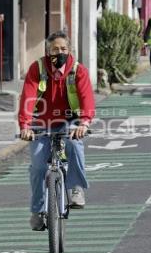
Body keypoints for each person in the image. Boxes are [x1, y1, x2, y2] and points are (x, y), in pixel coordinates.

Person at [18, 31, 95, 230]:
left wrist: (84, 123)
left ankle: (76, 189)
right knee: (37, 166)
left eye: (63, 49)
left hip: (70, 120)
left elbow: (87, 98)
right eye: (54, 49)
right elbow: (28, 96)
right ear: (47, 51)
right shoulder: (38, 68)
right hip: (40, 122)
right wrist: (25, 126)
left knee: (74, 143)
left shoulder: (78, 70)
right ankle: (37, 211)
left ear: (69, 51)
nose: (58, 53)